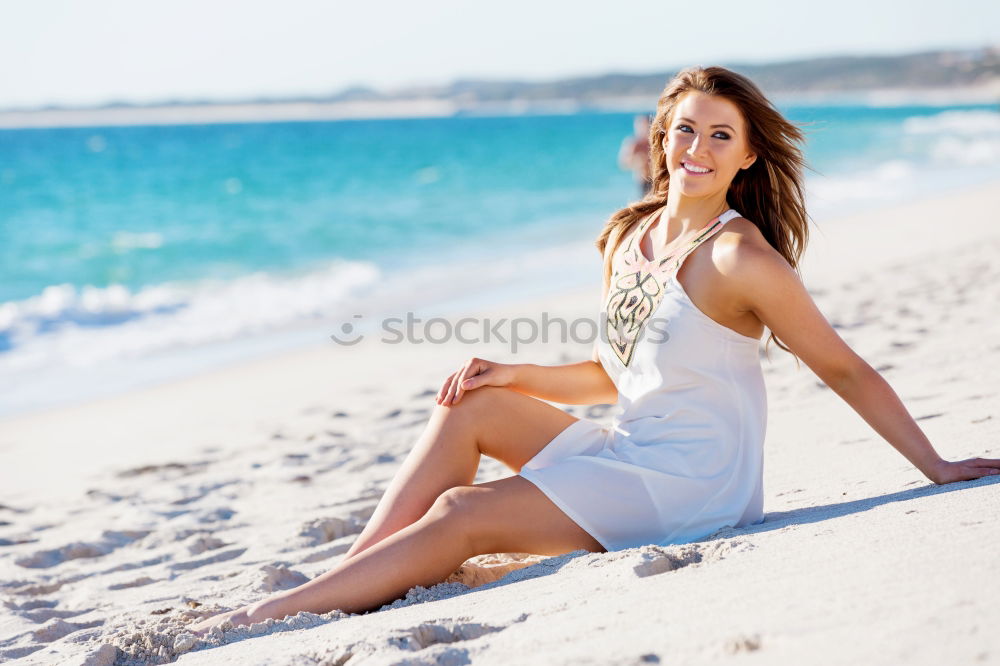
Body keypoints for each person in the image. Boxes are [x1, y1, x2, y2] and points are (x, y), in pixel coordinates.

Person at [188, 66, 1000, 635]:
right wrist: (515, 374)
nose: (699, 149)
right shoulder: (631, 237)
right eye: (686, 129)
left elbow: (842, 367)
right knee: (473, 404)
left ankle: (279, 614)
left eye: (722, 136)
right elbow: (617, 374)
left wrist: (935, 466)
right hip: (631, 448)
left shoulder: (741, 258)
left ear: (748, 154)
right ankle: (342, 584)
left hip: (695, 487)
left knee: (463, 513)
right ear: (661, 137)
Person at [619, 113, 653, 198]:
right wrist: (639, 161)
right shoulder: (634, 143)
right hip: (643, 181)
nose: (642, 129)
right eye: (640, 126)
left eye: (645, 125)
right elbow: (623, 164)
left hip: (656, 179)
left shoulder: (654, 142)